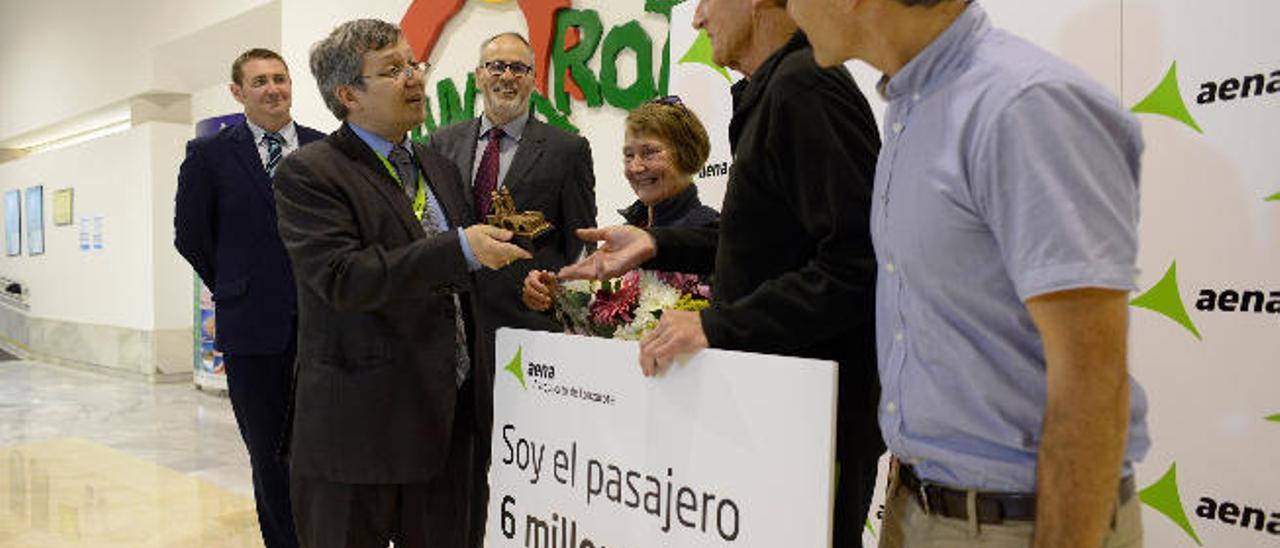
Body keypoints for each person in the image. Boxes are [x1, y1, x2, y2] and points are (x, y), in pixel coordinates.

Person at [784, 1, 1150, 546]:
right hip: (922, 508)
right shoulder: (913, 107)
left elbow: (1091, 383)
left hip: (1017, 525)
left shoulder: (1023, 104)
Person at [556, 1, 883, 546]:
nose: (697, 17)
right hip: (777, 410)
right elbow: (762, 243)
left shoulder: (805, 88)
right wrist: (654, 242)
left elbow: (855, 264)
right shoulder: (776, 90)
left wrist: (717, 325)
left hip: (814, 420)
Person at [272, 19, 529, 548]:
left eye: (414, 64)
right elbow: (343, 277)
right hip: (360, 430)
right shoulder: (311, 173)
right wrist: (459, 249)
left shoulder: (438, 165)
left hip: (448, 423)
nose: (415, 78)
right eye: (393, 70)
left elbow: (452, 283)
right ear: (348, 95)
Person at [426, 31, 597, 548]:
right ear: (478, 75)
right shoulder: (440, 144)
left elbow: (579, 242)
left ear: (534, 80)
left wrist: (553, 284)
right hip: (449, 329)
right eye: (496, 66)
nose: (506, 76)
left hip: (526, 330)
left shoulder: (567, 148)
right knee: (457, 464)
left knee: (528, 459)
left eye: (518, 68)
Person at [173, 47, 323, 548]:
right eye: (259, 81)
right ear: (238, 93)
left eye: (280, 78)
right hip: (252, 330)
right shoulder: (210, 156)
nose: (272, 88)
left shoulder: (326, 150)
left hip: (327, 325)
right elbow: (191, 235)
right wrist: (236, 284)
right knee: (270, 456)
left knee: (325, 450)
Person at [522, 97, 718, 311]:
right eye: (629, 155)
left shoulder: (710, 232)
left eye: (650, 152)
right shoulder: (629, 230)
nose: (636, 167)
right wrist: (557, 298)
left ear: (686, 153)